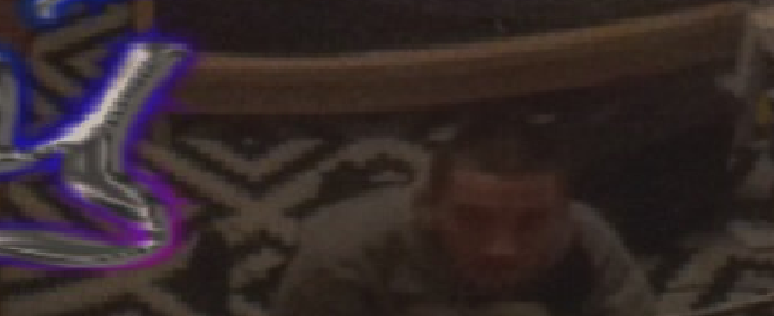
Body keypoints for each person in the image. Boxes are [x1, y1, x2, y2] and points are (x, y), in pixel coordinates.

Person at [273, 113, 656, 316]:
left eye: (531, 222)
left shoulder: (589, 243)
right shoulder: (341, 257)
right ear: (429, 208)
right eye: (473, 219)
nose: (501, 249)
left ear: (563, 218)